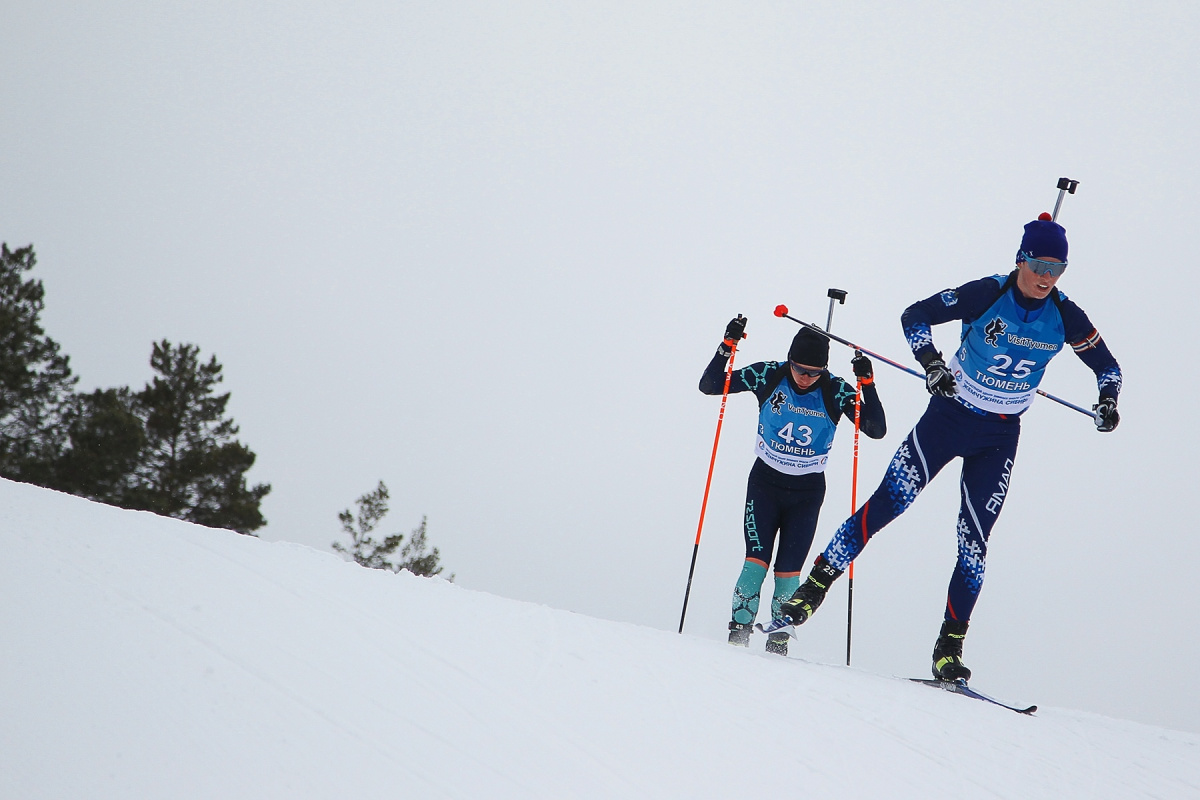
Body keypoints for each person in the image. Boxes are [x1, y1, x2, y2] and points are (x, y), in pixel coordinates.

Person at [778, 213, 1123, 681]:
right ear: (1021, 259)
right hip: (949, 417)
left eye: (1057, 268)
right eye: (1040, 264)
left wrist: (1108, 402)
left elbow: (1109, 368)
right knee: (888, 504)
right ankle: (813, 588)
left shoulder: (1066, 316)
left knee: (974, 544)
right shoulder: (987, 293)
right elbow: (915, 315)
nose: (1047, 277)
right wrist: (932, 363)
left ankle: (949, 649)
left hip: (999, 438)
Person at [700, 317, 887, 655]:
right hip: (765, 484)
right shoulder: (769, 374)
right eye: (800, 369)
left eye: (814, 372)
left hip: (806, 493)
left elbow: (876, 429)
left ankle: (778, 647)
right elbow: (710, 385)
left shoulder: (834, 389)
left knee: (788, 574)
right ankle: (736, 642)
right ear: (790, 361)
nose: (805, 378)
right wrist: (727, 346)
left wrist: (867, 383)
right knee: (756, 562)